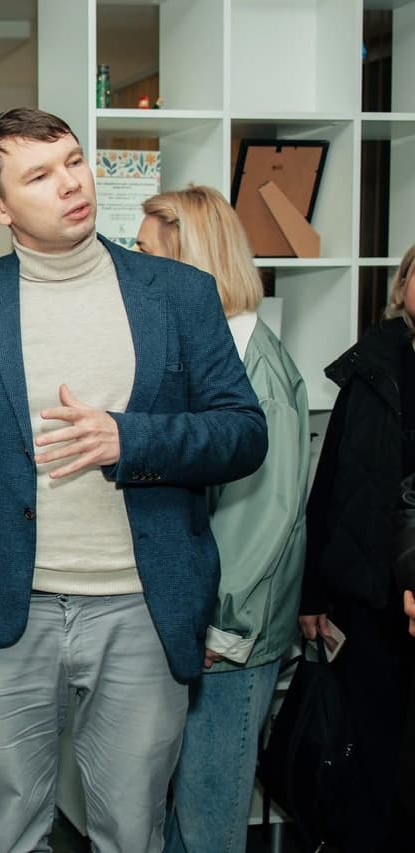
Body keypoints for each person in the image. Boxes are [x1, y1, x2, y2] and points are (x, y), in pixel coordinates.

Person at [0, 108, 268, 853]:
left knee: (130, 829)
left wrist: (130, 438)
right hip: (9, 607)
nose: (71, 184)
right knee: (8, 826)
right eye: (39, 175)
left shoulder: (179, 292)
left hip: (139, 604)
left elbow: (243, 430)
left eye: (73, 161)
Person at [135, 186, 311, 853]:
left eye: (146, 253)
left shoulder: (255, 370)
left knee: (209, 823)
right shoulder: (211, 354)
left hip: (229, 637)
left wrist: (220, 625)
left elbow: (261, 519)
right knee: (185, 817)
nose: (135, 269)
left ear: (189, 262)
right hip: (202, 621)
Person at [299, 242, 415, 851]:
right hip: (369, 599)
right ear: (403, 285)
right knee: (370, 754)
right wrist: (312, 593)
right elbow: (331, 482)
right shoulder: (370, 365)